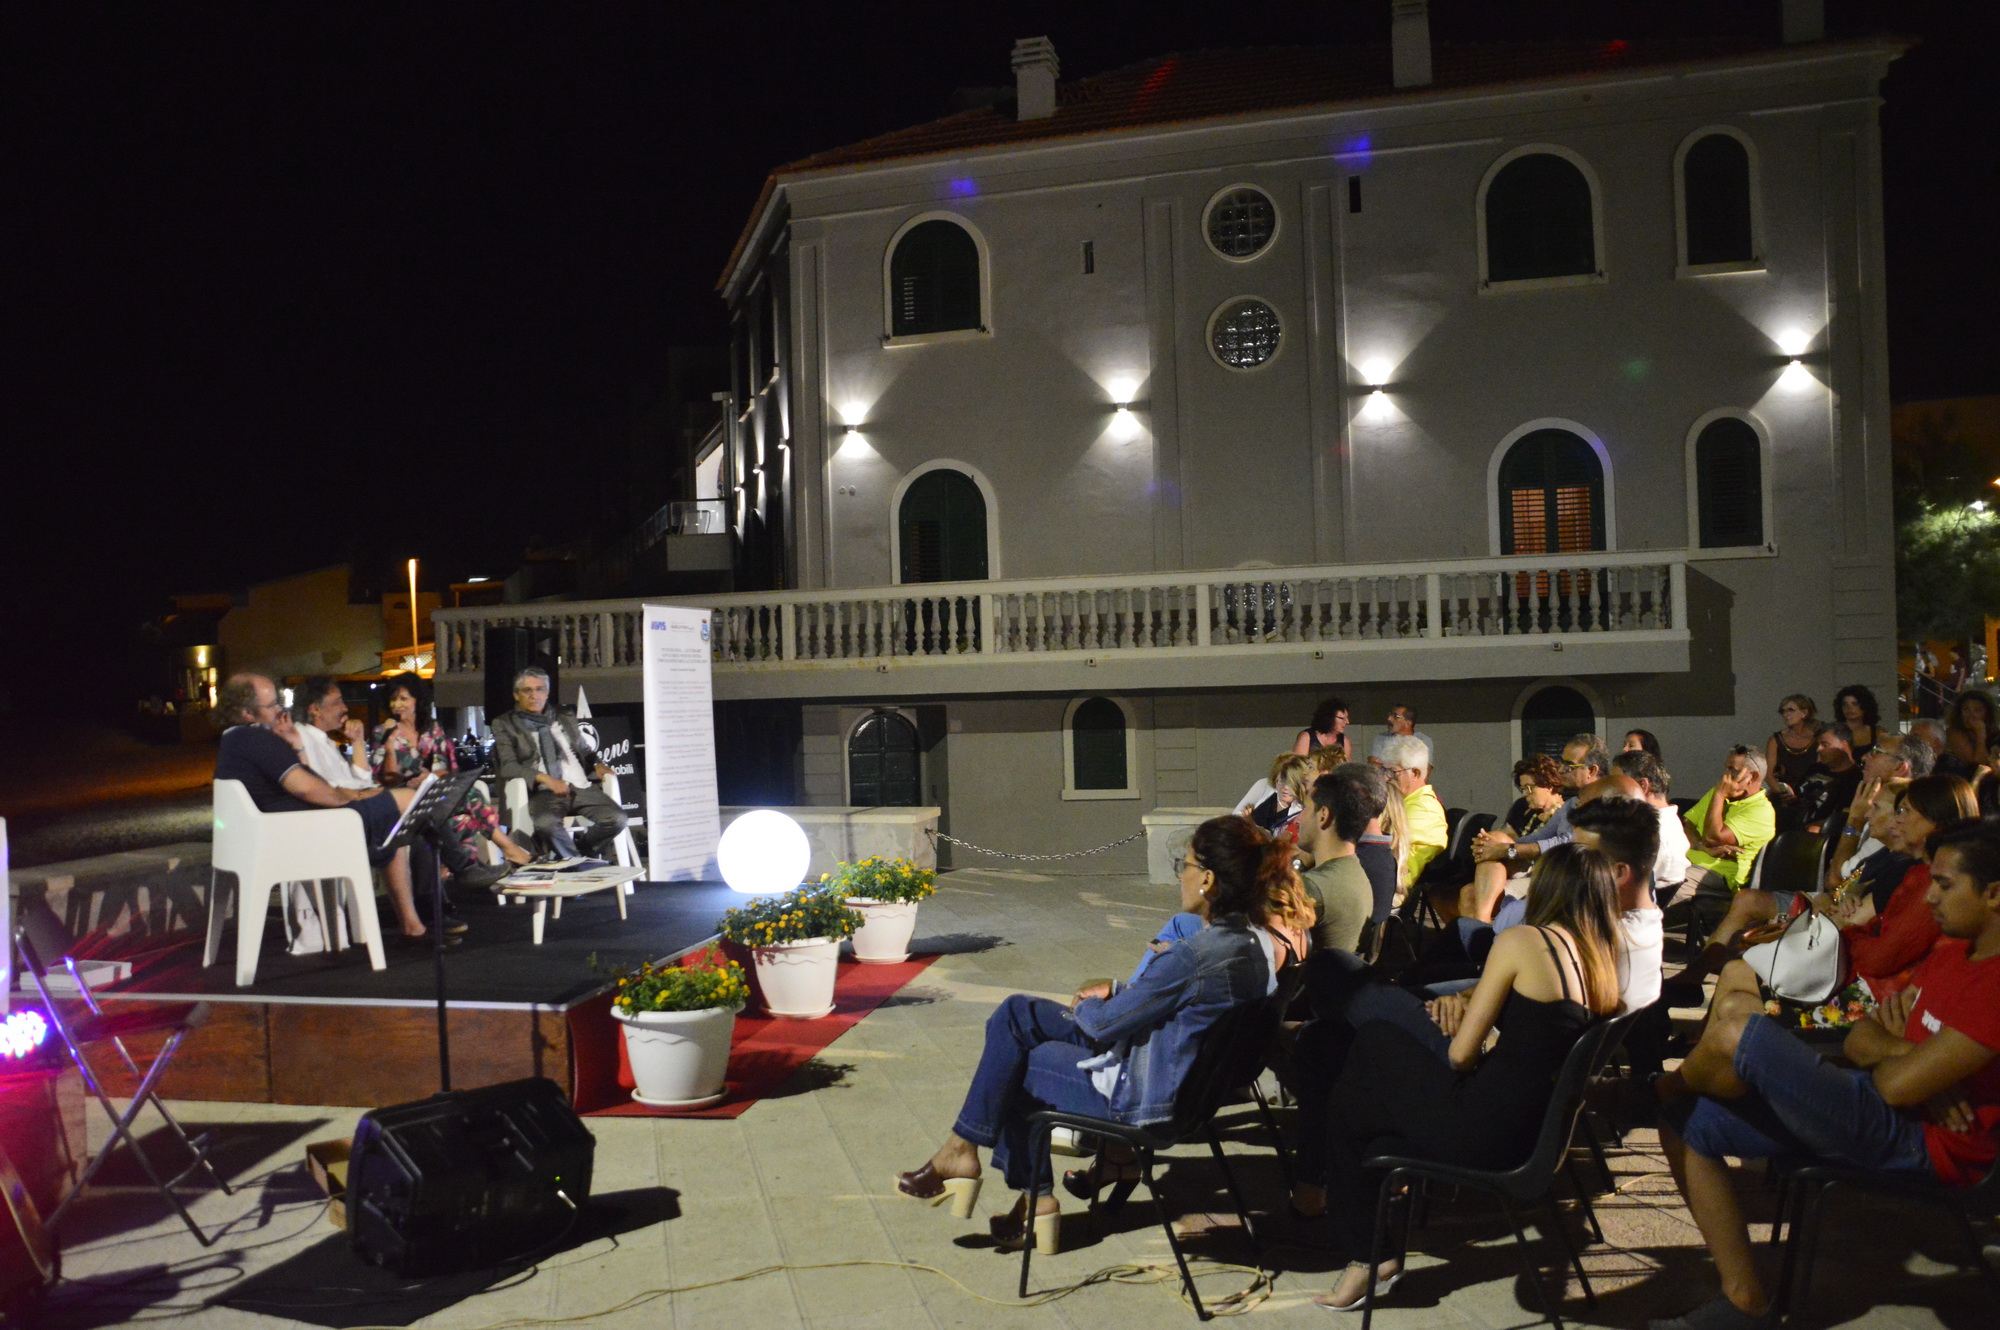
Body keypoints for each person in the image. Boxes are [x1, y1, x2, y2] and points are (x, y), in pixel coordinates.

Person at [1646, 817, 2000, 1330]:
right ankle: (1744, 1300)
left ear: (1993, 894)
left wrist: (1911, 1066)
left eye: (1945, 885)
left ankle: (1653, 1090)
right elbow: (1862, 1039)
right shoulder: (1954, 956)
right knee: (1683, 1123)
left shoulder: (1992, 982)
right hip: (1889, 1107)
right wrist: (1921, 1063)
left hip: (1929, 1144)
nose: (1931, 899)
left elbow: (1895, 1084)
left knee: (1734, 1032)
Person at [892, 816, 1286, 1252]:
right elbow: (1179, 1003)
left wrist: (1091, 1003)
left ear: (1209, 879)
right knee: (1015, 1014)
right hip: (1176, 1080)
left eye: (1186, 866)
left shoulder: (1197, 954)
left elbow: (1103, 1024)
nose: (1182, 876)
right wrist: (1117, 991)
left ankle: (1019, 1187)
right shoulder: (1255, 944)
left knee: (1016, 1062)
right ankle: (969, 1156)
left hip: (1144, 1095)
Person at [1294, 844, 1623, 1310]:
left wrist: (1456, 1015)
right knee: (1359, 1110)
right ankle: (1365, 1243)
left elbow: (1459, 1056)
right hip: (1533, 1134)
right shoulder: (1601, 962)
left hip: (1481, 1130)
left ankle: (1363, 1249)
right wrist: (1467, 1003)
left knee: (1370, 1045)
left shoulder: (1525, 942)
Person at [211, 672, 435, 943]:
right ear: (247, 713)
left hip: (294, 827)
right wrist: (352, 801)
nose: (281, 710)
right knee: (407, 801)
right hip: (306, 830)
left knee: (393, 824)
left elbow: (309, 783)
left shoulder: (237, 739)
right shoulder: (257, 739)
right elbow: (308, 788)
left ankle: (414, 921)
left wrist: (295, 747)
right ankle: (451, 866)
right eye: (272, 705)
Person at [371, 674, 528, 888]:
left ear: (417, 700)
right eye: (393, 700)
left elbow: (447, 771)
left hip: (433, 793)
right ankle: (503, 850)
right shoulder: (383, 732)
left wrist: (430, 777)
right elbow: (384, 779)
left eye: (404, 699)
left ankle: (469, 868)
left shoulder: (431, 730)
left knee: (469, 795)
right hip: (404, 800)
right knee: (468, 810)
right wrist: (389, 746)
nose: (397, 705)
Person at [1463, 734, 1611, 921]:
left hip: (1569, 882)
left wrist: (1508, 850)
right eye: (1562, 763)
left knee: (1473, 893)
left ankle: (1482, 932)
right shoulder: (1573, 803)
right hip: (1548, 872)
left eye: (1569, 766)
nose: (1562, 769)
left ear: (1592, 770)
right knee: (1469, 889)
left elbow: (1568, 842)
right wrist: (1495, 845)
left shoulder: (1603, 803)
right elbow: (1541, 835)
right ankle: (1480, 935)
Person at [490, 667, 628, 860]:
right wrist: (546, 779)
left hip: (580, 786)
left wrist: (597, 763)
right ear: (516, 695)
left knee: (617, 819)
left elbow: (585, 750)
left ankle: (578, 856)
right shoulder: (504, 723)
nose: (534, 695)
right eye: (526, 690)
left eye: (539, 689)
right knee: (546, 824)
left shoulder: (564, 715)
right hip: (544, 791)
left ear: (547, 692)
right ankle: (578, 866)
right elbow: (508, 766)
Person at [1822, 733, 1932, 891]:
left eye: (1876, 752)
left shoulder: (1892, 816)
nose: (1865, 758)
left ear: (1900, 767)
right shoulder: (1876, 805)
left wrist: (1854, 820)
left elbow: (1836, 881)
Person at [1675, 746, 1777, 909]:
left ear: (1752, 776)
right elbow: (1687, 824)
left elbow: (1713, 837)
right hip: (1688, 859)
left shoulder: (1760, 811)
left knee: (1666, 885)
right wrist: (1702, 847)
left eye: (1732, 770)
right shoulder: (1721, 792)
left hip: (1719, 874)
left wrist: (1719, 796)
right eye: (1726, 768)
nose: (1725, 776)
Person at [1294, 766, 1382, 956]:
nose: (1297, 820)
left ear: (1323, 816)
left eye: (1305, 809)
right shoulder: (1355, 870)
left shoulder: (1313, 887)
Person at [1614, 748, 1691, 896]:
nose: (1610, 791)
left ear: (1643, 786)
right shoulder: (1654, 824)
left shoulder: (1656, 835)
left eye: (1617, 784)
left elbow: (1621, 884)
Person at [1375, 734, 1445, 886]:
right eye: (1383, 770)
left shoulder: (1425, 811)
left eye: (1393, 772)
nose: (1386, 778)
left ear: (1415, 773)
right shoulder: (1405, 802)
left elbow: (1390, 853)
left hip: (1393, 888)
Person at [293, 676, 377, 791]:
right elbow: (326, 787)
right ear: (315, 710)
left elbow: (364, 781)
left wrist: (357, 740)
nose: (345, 708)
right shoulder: (302, 738)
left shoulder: (324, 740)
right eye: (337, 703)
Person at [1786, 722, 1862, 835]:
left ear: (1844, 746)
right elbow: (1798, 795)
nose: (1819, 749)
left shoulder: (1855, 779)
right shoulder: (1816, 769)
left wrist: (1820, 826)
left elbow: (1842, 817)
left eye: (1825, 745)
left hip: (1815, 833)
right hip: (1791, 821)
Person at [1764, 695, 1823, 806]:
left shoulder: (1816, 740)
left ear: (1804, 713)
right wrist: (1783, 792)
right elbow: (1769, 774)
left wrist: (1803, 795)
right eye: (1783, 711)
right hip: (1782, 797)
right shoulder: (1776, 740)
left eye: (1790, 710)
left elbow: (1820, 772)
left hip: (1809, 796)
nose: (1786, 715)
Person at [1940, 688, 1999, 781]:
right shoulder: (1954, 733)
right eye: (1966, 710)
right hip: (1963, 782)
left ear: (1987, 713)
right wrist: (1980, 733)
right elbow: (1978, 765)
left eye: (1978, 710)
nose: (1971, 715)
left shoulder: (1994, 733)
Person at [1503, 754, 1566, 838]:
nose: (1525, 793)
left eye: (1529, 787)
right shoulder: (1523, 808)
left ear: (1548, 784)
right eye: (1523, 789)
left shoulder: (1565, 817)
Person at [1831, 683, 1884, 763]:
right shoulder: (1833, 732)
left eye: (1855, 704)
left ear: (1865, 706)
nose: (1849, 708)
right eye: (1845, 704)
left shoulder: (1878, 733)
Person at [1291, 695, 1353, 762]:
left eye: (1347, 718)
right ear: (1329, 718)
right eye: (1342, 718)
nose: (1347, 722)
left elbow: (1347, 768)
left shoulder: (1344, 741)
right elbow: (1297, 767)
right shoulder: (1306, 737)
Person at [1383, 704, 1435, 779]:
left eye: (1395, 717)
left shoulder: (1423, 741)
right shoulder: (1383, 739)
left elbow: (1424, 774)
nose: (1389, 719)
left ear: (1408, 723)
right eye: (1390, 715)